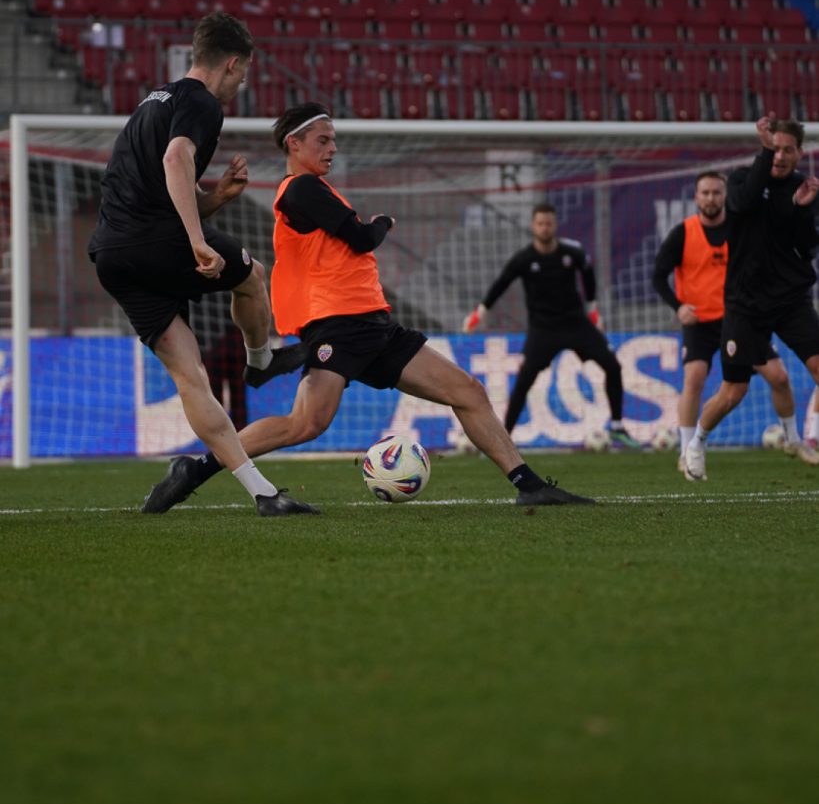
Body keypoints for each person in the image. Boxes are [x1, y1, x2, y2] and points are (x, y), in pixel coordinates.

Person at [139, 101, 595, 512]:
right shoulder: (300, 190)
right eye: (323, 139)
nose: (332, 147)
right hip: (339, 326)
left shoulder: (314, 189)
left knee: (468, 392)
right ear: (293, 144)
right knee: (305, 425)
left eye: (334, 139)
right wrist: (380, 223)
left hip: (373, 325)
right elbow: (359, 237)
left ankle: (528, 484)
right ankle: (196, 469)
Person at [88, 12, 311, 517]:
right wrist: (196, 239)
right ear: (231, 64)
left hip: (112, 255)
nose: (243, 83)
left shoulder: (153, 100)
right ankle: (263, 360)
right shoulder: (202, 102)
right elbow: (175, 159)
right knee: (253, 276)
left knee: (192, 377)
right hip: (158, 243)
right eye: (244, 73)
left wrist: (214, 200)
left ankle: (262, 493)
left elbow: (162, 186)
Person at [653, 170, 819, 477]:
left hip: (741, 316)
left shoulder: (740, 226)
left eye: (717, 192)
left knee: (779, 378)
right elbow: (657, 276)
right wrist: (678, 307)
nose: (711, 198)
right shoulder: (684, 232)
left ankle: (794, 440)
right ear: (696, 197)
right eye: (705, 193)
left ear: (725, 196)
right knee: (698, 380)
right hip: (701, 321)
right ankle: (687, 449)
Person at [463, 203, 641, 449]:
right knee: (524, 380)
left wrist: (592, 310)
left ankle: (618, 427)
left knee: (613, 365)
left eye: (548, 223)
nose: (544, 228)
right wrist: (479, 313)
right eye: (540, 224)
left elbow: (588, 274)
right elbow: (501, 284)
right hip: (543, 329)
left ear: (555, 225)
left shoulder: (572, 252)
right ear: (533, 226)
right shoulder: (524, 259)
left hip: (577, 323)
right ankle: (503, 439)